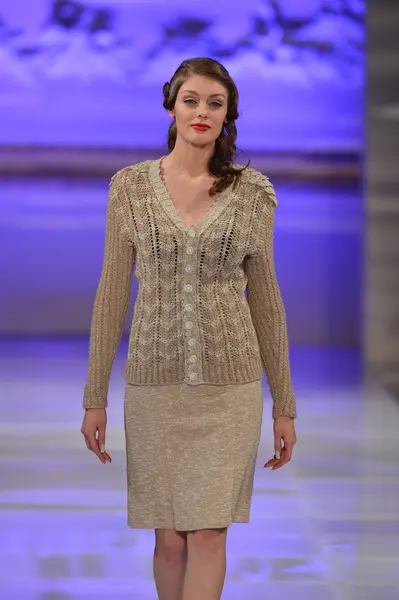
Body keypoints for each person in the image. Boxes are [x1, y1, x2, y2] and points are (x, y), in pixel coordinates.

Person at [81, 57, 297, 600]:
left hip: (231, 390)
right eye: (191, 100)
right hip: (155, 386)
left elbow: (267, 299)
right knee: (169, 540)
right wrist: (94, 396)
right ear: (172, 107)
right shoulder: (130, 189)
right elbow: (111, 293)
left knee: (208, 532)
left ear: (229, 116)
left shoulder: (253, 195)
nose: (202, 112)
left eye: (215, 103)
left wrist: (285, 404)